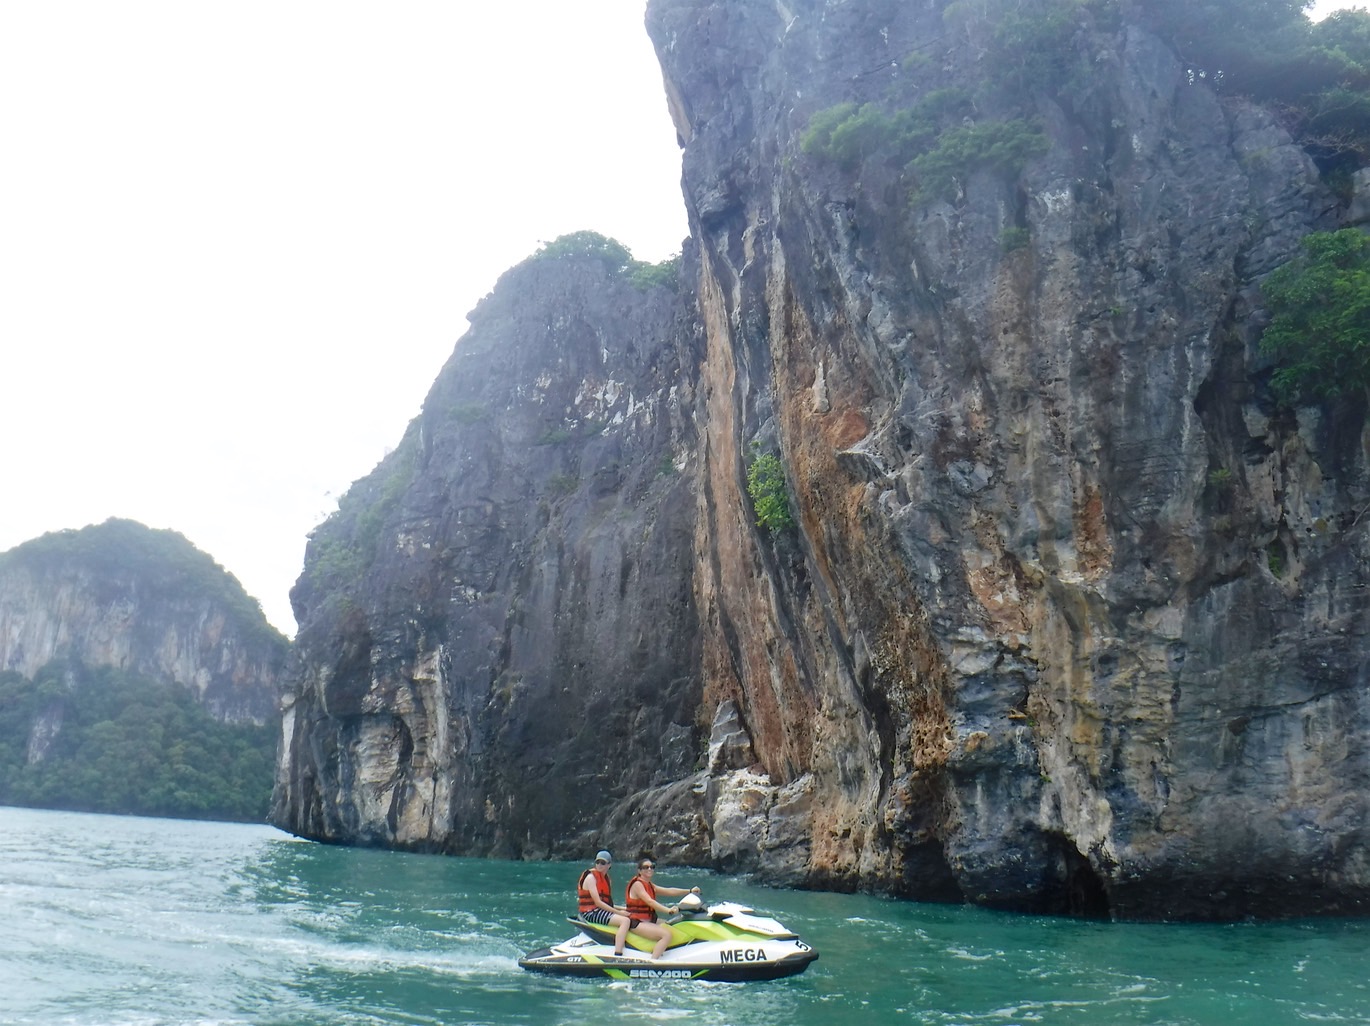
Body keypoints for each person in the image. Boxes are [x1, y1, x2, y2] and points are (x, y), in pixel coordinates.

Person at [624, 856, 702, 960]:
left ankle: (665, 954)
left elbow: (669, 891)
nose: (649, 869)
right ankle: (653, 962)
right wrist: (668, 910)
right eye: (646, 867)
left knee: (671, 925)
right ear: (639, 871)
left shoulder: (650, 885)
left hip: (648, 919)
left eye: (652, 867)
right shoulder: (638, 884)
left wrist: (689, 891)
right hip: (636, 922)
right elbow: (649, 901)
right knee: (666, 935)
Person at [576, 850, 633, 956]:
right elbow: (598, 902)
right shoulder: (591, 877)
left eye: (603, 863)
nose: (599, 865)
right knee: (624, 921)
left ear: (609, 865)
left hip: (599, 910)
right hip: (590, 913)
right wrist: (620, 913)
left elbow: (607, 903)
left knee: (630, 916)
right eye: (597, 862)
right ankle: (618, 953)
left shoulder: (607, 879)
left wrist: (625, 909)